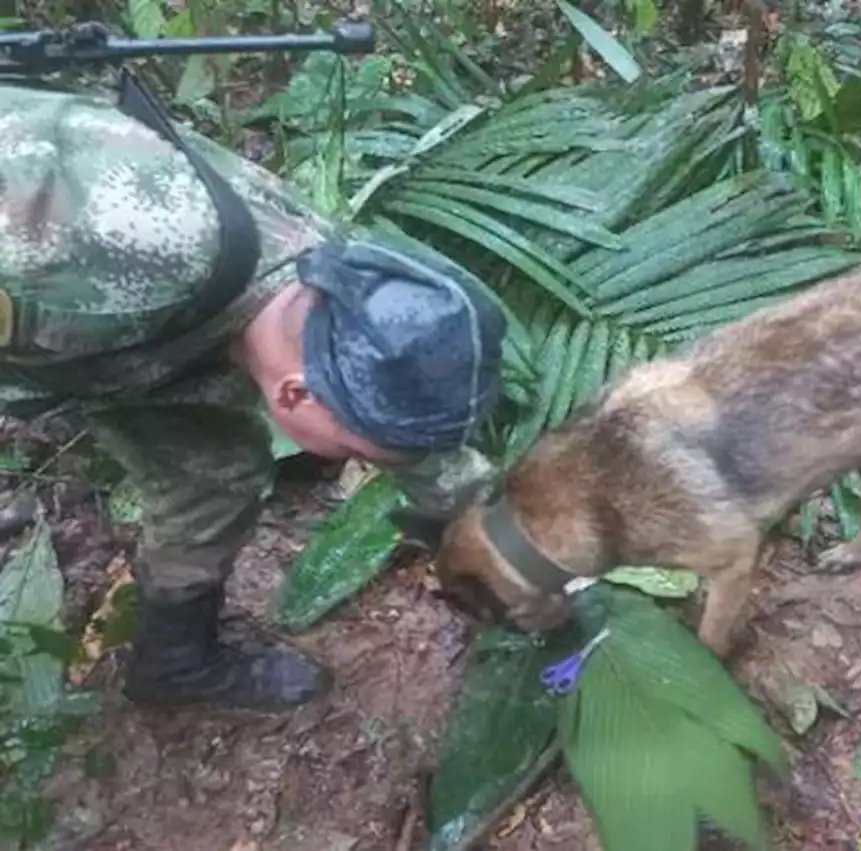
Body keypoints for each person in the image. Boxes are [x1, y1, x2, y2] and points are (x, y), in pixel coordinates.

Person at [0, 77, 507, 712]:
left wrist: (510, 538)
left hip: (129, 345)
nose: (380, 461)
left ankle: (173, 664)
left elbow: (404, 435)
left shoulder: (333, 285)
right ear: (294, 397)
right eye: (362, 453)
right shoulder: (90, 248)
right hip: (66, 294)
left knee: (213, 474)